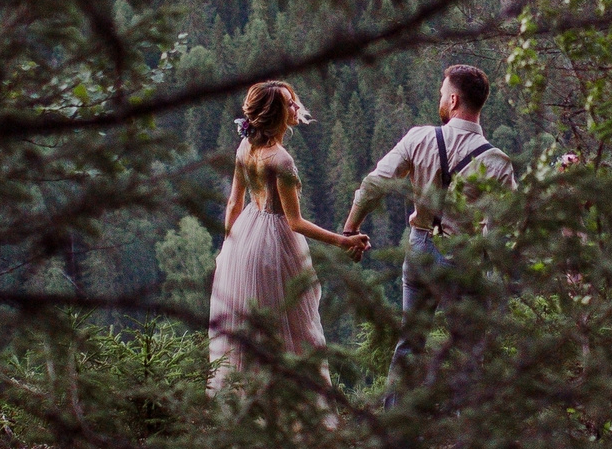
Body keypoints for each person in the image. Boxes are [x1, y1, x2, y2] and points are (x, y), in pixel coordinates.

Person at [343, 63, 516, 381]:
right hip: (463, 258)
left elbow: (374, 185)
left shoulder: (418, 138)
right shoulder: (497, 161)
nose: (440, 98)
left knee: (409, 346)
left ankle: (396, 425)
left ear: (453, 100)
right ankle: (468, 429)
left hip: (420, 247)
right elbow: (501, 230)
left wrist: (351, 228)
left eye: (441, 93)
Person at [208, 80, 368, 391]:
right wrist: (343, 241)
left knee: (249, 325)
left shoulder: (245, 147)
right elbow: (294, 222)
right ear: (276, 115)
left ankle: (246, 401)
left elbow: (233, 202)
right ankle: (297, 406)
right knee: (293, 326)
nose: (296, 108)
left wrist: (227, 248)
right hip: (274, 246)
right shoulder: (281, 160)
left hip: (243, 239)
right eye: (289, 104)